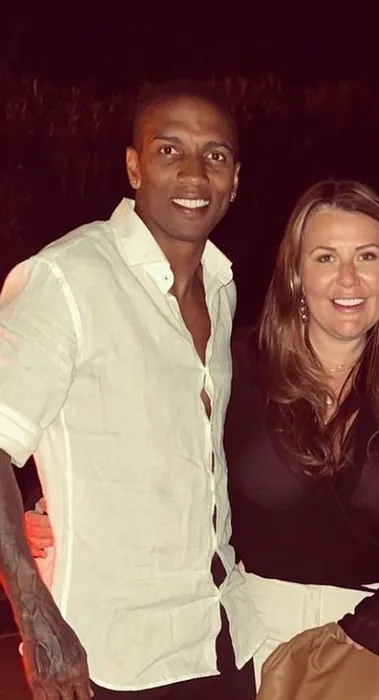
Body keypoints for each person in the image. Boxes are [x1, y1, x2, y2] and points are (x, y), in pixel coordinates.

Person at [26, 179, 379, 690]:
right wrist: (57, 497)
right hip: (260, 631)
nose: (348, 278)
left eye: (367, 256)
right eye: (325, 257)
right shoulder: (238, 365)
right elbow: (160, 443)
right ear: (297, 274)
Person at [0, 80, 260, 699]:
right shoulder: (67, 279)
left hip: (221, 636)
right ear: (134, 166)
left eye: (215, 155)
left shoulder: (221, 286)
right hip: (109, 657)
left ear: (235, 179)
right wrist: (34, 614)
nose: (194, 174)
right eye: (170, 151)